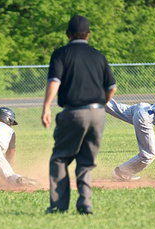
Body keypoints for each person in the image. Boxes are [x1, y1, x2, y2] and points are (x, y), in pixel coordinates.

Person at [41, 15, 117, 214]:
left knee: (59, 158)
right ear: (88, 35)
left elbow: (54, 81)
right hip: (98, 113)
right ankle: (85, 203)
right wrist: (101, 105)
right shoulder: (98, 55)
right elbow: (112, 87)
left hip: (74, 112)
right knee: (86, 161)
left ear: (68, 34)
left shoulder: (61, 54)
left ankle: (58, 206)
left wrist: (46, 107)